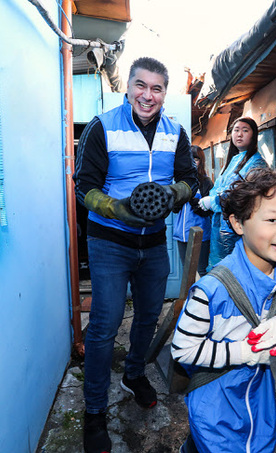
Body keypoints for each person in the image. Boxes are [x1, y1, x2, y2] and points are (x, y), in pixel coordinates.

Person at [74, 56, 198, 453]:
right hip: (110, 241)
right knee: (105, 326)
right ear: (128, 88)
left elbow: (189, 179)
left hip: (154, 242)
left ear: (165, 93)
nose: (148, 95)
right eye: (141, 85)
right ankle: (94, 412)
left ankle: (133, 374)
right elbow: (84, 187)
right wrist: (118, 208)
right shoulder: (102, 126)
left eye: (157, 88)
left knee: (148, 315)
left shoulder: (175, 132)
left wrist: (173, 194)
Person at [172, 167, 276, 453]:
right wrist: (244, 352)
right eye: (272, 219)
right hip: (214, 400)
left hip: (258, 396)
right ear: (238, 223)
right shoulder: (212, 290)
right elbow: (183, 350)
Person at [197, 117, 268, 271]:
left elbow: (244, 193)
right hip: (222, 226)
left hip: (240, 228)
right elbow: (220, 187)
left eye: (245, 130)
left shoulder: (256, 163)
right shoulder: (233, 160)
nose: (239, 134)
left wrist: (214, 200)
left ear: (254, 135)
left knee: (237, 271)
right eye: (236, 130)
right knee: (222, 271)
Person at [173, 146, 213, 276]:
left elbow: (208, 211)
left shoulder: (206, 182)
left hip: (201, 233)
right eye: (189, 158)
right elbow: (174, 209)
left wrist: (193, 199)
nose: (192, 162)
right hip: (182, 233)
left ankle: (202, 296)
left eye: (196, 159)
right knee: (187, 271)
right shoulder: (180, 182)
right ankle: (188, 297)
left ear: (201, 161)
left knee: (201, 270)